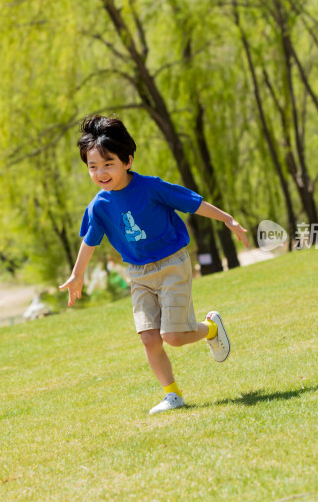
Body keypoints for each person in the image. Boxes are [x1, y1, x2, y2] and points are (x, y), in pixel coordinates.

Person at [59, 115, 249, 414]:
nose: (100, 173)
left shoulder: (151, 188)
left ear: (128, 160)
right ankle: (172, 394)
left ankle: (210, 329)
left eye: (108, 164)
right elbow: (90, 241)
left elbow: (192, 202)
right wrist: (76, 275)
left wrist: (228, 219)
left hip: (172, 264)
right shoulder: (98, 206)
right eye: (92, 167)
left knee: (172, 337)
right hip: (138, 273)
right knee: (149, 337)